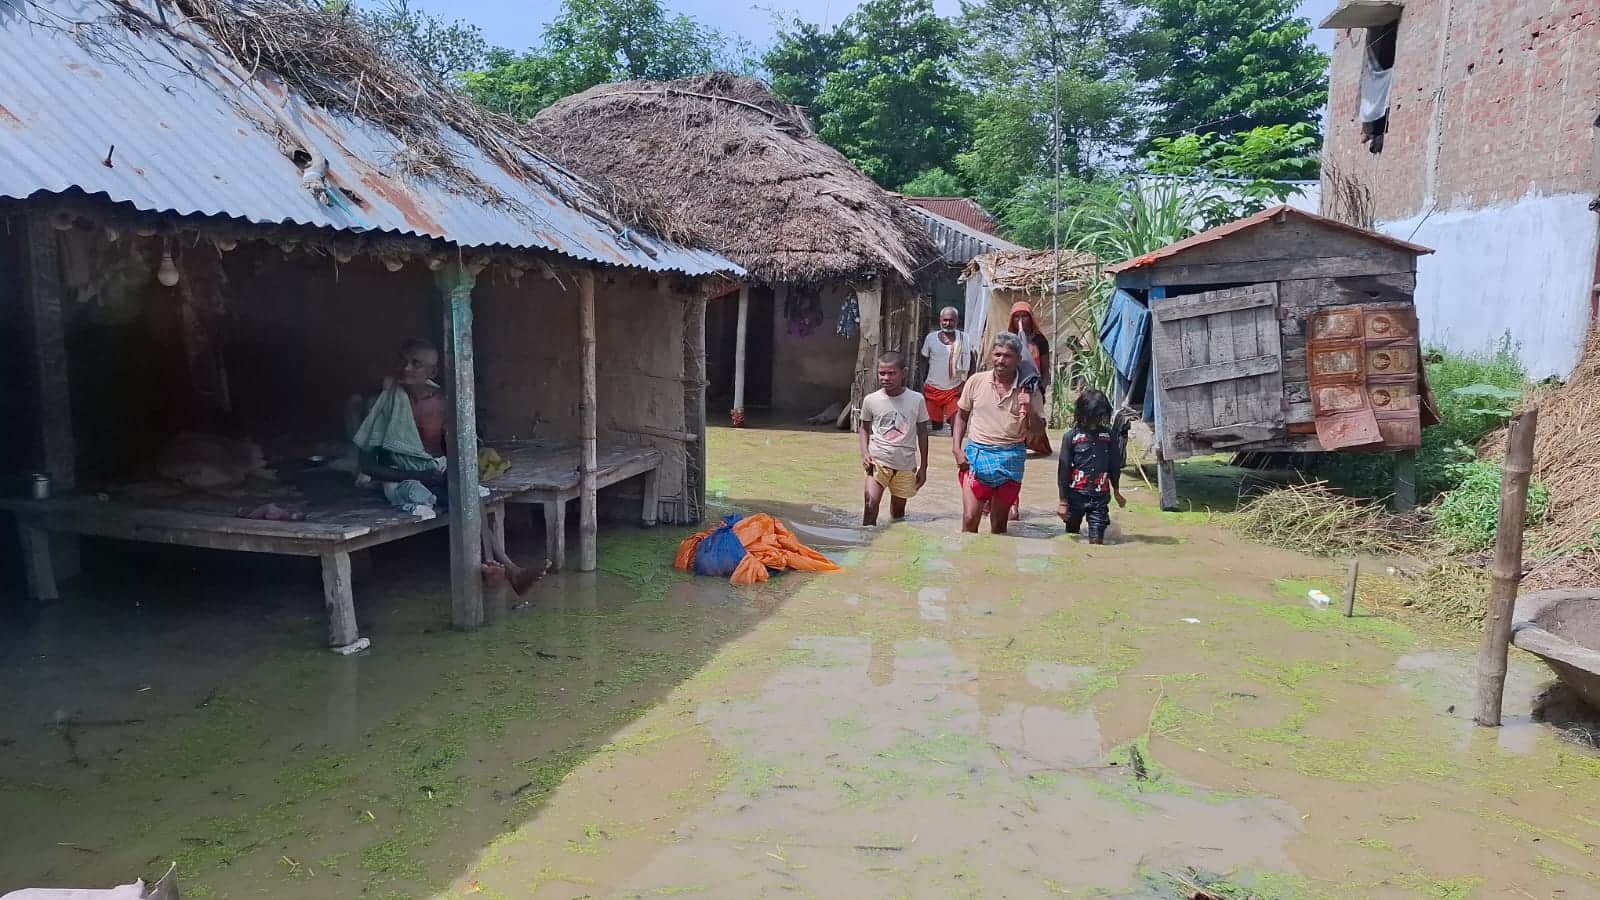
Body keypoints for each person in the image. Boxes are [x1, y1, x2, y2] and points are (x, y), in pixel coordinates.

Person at [351, 338, 547, 594]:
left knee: (463, 485)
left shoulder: (443, 403)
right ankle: (505, 567)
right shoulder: (385, 403)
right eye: (404, 361)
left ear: (432, 372)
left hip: (436, 474)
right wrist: (418, 473)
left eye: (416, 364)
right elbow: (368, 466)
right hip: (401, 479)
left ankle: (497, 565)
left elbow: (458, 451)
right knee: (461, 491)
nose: (406, 368)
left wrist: (444, 472)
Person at [952, 333, 1045, 534]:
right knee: (969, 519)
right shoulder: (976, 381)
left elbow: (1038, 432)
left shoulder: (1030, 390)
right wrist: (957, 449)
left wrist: (1029, 410)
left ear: (1018, 359)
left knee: (999, 525)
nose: (1000, 360)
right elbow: (961, 416)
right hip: (977, 455)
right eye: (997, 355)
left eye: (1007, 356)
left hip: (1011, 458)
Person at [859, 352, 930, 525]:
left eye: (891, 373)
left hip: (905, 464)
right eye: (882, 373)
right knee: (870, 505)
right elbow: (864, 428)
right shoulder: (871, 400)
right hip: (878, 461)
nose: (886, 378)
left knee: (898, 514)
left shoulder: (916, 399)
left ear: (903, 373)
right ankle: (866, 544)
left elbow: (922, 432)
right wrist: (865, 453)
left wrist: (924, 467)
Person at [1057, 388, 1127, 545]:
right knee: (1071, 535)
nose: (1095, 421)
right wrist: (1062, 501)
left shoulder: (1109, 437)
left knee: (1097, 541)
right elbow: (1064, 469)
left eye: (1099, 416)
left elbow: (1114, 466)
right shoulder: (1071, 437)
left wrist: (1116, 491)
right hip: (1075, 496)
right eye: (1093, 416)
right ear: (1082, 414)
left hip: (1100, 498)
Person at [1008, 300, 1054, 457]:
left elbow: (1045, 368)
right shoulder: (1009, 340)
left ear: (1031, 318)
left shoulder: (1039, 340)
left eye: (1024, 316)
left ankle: (1039, 448)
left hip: (1034, 387)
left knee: (1036, 419)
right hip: (1014, 386)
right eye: (1016, 317)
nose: (1020, 320)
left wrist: (1041, 388)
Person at [919, 306, 974, 433]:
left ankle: (955, 449)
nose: (948, 323)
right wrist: (922, 383)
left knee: (956, 425)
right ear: (940, 320)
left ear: (957, 321)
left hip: (955, 390)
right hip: (933, 389)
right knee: (936, 426)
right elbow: (923, 361)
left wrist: (966, 384)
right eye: (945, 320)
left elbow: (972, 363)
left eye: (951, 320)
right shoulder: (931, 338)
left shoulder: (965, 339)